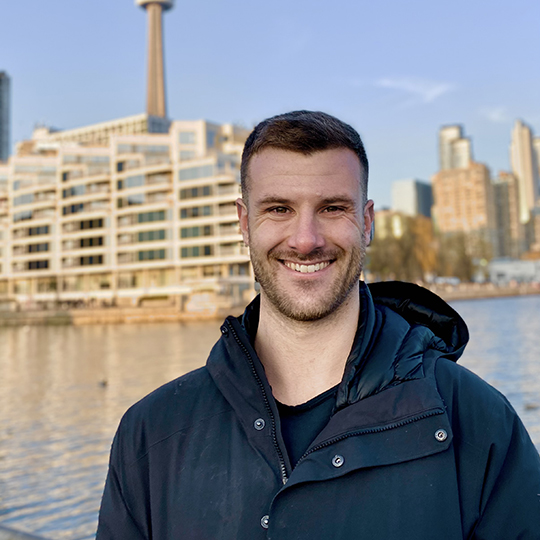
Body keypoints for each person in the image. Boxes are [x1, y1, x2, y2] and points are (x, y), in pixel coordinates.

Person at [96, 111, 540, 539]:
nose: (305, 240)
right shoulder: (151, 435)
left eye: (331, 208)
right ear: (244, 223)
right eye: (278, 209)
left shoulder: (477, 422)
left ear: (367, 223)